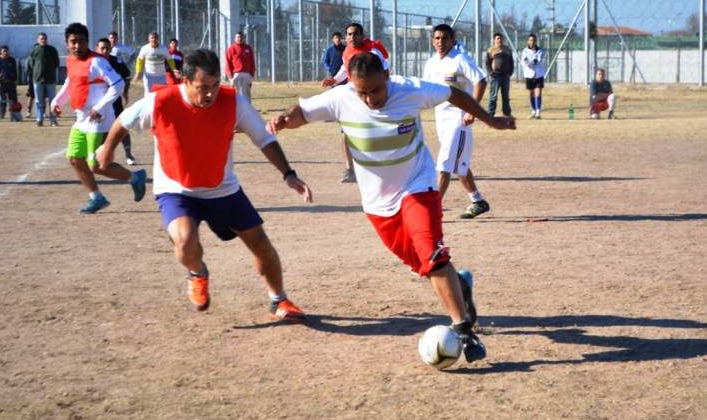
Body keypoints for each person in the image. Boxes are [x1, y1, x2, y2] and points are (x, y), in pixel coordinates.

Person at [267, 51, 516, 361]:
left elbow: (454, 93)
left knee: (432, 255)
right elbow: (301, 112)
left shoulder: (409, 89)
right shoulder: (340, 98)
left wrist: (490, 120)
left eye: (376, 90)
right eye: (363, 92)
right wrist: (284, 120)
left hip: (418, 185)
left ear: (386, 76)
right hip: (377, 203)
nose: (370, 98)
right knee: (422, 265)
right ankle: (461, 286)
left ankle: (464, 331)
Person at [96, 49, 311, 319]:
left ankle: (279, 300)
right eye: (202, 88)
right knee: (186, 242)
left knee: (260, 243)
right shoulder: (160, 101)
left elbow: (263, 138)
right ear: (185, 81)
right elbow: (123, 120)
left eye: (213, 86)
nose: (210, 94)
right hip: (176, 190)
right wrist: (107, 148)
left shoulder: (233, 101)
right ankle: (198, 272)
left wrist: (288, 174)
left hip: (222, 188)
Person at [51, 23, 147, 214]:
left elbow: (118, 84)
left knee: (97, 166)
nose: (77, 46)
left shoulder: (97, 62)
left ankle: (135, 178)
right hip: (81, 119)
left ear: (88, 42)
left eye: (81, 42)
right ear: (66, 43)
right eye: (73, 42)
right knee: (74, 159)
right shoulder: (71, 61)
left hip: (99, 121)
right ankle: (97, 197)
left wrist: (99, 107)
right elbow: (70, 83)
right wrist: (56, 101)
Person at [423, 24, 490, 219]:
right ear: (432, 41)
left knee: (444, 164)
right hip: (441, 118)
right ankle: (478, 201)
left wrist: (472, 110)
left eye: (444, 38)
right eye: (437, 38)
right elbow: (426, 89)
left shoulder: (460, 59)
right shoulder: (431, 63)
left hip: (460, 119)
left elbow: (481, 80)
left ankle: (433, 211)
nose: (440, 42)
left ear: (453, 39)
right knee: (459, 163)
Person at [322, 23, 390, 183]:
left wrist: (378, 92)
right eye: (349, 34)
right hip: (353, 95)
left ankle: (378, 167)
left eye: (355, 34)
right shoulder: (347, 51)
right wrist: (334, 80)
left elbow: (385, 70)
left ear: (362, 36)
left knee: (374, 132)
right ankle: (349, 170)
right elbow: (345, 69)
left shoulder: (372, 51)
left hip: (371, 96)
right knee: (346, 132)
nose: (352, 37)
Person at [96, 38, 137, 165]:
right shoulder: (93, 62)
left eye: (107, 48)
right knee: (101, 128)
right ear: (97, 48)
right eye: (102, 48)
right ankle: (101, 154)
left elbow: (126, 75)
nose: (105, 51)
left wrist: (125, 92)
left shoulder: (116, 61)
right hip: (98, 101)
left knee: (122, 125)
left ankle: (129, 154)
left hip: (114, 100)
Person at [29, 32, 60, 126]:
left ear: (47, 39)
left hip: (50, 79)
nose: (43, 40)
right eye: (41, 38)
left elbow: (56, 63)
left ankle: (53, 119)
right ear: (38, 40)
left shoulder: (52, 50)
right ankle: (39, 119)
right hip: (38, 79)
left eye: (44, 38)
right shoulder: (34, 50)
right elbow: (31, 64)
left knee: (52, 100)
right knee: (38, 100)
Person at [134, 32, 178, 97]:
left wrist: (174, 69)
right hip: (149, 76)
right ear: (149, 39)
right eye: (152, 38)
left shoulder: (163, 48)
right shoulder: (144, 48)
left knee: (162, 95)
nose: (154, 39)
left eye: (155, 38)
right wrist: (138, 71)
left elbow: (170, 60)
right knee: (148, 95)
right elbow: (139, 60)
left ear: (158, 39)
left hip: (161, 76)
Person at [484, 33, 514, 117]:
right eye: (497, 38)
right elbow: (487, 63)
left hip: (505, 76)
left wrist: (510, 72)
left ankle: (507, 113)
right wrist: (491, 72)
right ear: (494, 40)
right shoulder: (491, 50)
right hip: (495, 76)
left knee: (505, 96)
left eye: (500, 38)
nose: (499, 40)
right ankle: (490, 114)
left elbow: (511, 62)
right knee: (493, 96)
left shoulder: (507, 50)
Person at [225, 32, 255, 101]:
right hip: (236, 74)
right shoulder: (231, 49)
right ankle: (236, 109)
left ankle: (247, 109)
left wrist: (251, 75)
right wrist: (230, 77)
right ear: (235, 38)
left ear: (244, 38)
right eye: (237, 37)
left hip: (247, 74)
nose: (239, 39)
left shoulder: (248, 48)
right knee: (236, 93)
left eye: (241, 37)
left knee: (246, 94)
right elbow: (228, 63)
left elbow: (252, 62)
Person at [521, 34, 545, 119]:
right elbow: (524, 61)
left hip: (538, 74)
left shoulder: (541, 50)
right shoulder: (524, 51)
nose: (532, 42)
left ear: (536, 41)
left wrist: (530, 62)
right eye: (530, 40)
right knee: (531, 93)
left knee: (538, 92)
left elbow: (539, 61)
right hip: (529, 74)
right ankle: (533, 111)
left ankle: (538, 112)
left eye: (534, 40)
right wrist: (530, 62)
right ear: (528, 41)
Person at [0, 45, 18, 120]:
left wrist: (15, 80)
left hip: (11, 82)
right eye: (4, 51)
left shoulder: (12, 59)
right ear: (1, 51)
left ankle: (14, 113)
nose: (5, 52)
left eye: (7, 51)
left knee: (13, 99)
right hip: (2, 83)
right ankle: (2, 114)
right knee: (2, 99)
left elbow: (15, 71)